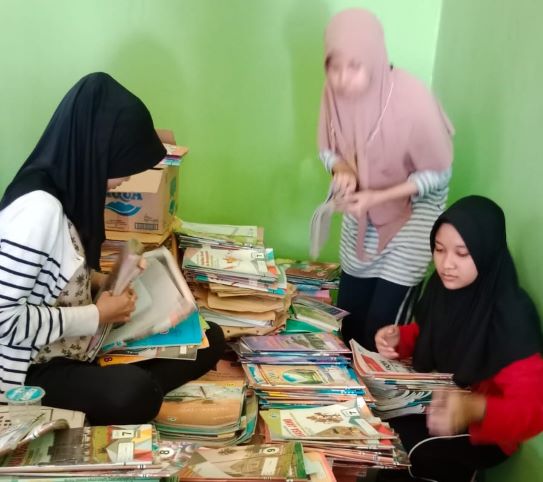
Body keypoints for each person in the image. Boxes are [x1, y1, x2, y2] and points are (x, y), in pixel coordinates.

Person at [0, 72, 225, 425]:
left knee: (210, 338)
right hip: (28, 369)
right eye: (123, 165)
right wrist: (97, 315)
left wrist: (105, 281)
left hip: (77, 344)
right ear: (98, 150)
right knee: (134, 393)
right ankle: (125, 388)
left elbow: (54, 278)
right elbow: (4, 320)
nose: (126, 179)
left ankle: (116, 385)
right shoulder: (37, 211)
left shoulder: (67, 191)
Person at [374, 195, 543, 482]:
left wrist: (474, 408)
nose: (446, 264)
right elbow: (431, 334)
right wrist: (398, 339)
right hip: (440, 399)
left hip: (488, 428)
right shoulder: (442, 288)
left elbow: (533, 411)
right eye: (439, 250)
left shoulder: (512, 314)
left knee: (400, 444)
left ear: (486, 251)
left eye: (462, 253)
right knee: (378, 422)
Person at [318, 8, 454, 350]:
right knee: (349, 325)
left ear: (375, 58)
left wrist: (378, 196)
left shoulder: (412, 99)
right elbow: (328, 147)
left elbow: (440, 172)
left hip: (412, 218)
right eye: (334, 67)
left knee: (381, 334)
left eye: (354, 66)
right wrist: (341, 169)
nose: (342, 78)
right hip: (361, 219)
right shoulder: (334, 94)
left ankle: (376, 386)